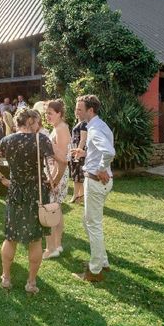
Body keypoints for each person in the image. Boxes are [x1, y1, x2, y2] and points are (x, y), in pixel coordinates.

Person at [0, 108, 54, 294]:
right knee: (35, 239)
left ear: (17, 122)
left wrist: (2, 179)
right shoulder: (42, 139)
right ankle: (31, 282)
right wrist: (53, 178)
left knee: (11, 237)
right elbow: (60, 161)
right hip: (36, 192)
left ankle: (6, 278)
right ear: (35, 121)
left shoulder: (8, 140)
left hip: (15, 191)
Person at [70, 95, 115, 283]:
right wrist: (85, 153)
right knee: (90, 222)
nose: (77, 112)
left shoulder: (95, 129)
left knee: (93, 225)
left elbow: (109, 152)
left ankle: (95, 270)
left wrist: (102, 168)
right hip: (100, 180)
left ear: (90, 110)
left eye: (80, 109)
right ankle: (102, 261)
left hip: (96, 181)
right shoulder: (100, 125)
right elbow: (101, 150)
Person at [42, 100, 70, 260]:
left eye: (50, 113)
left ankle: (51, 247)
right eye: (46, 113)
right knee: (57, 210)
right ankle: (57, 245)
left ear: (59, 113)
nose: (47, 116)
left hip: (58, 173)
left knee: (51, 211)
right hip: (55, 172)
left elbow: (62, 157)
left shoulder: (61, 129)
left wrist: (54, 178)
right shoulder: (57, 128)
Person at [69, 107, 88, 204]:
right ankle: (80, 195)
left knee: (78, 175)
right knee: (76, 174)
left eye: (79, 110)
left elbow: (83, 139)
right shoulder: (79, 122)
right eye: (76, 110)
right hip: (75, 152)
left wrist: (78, 152)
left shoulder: (84, 124)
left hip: (79, 153)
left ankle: (76, 195)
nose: (77, 112)